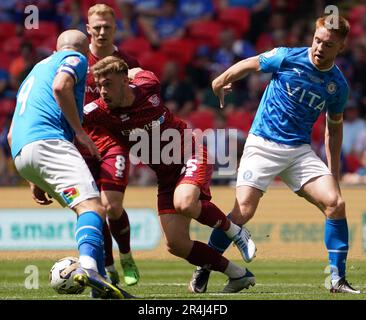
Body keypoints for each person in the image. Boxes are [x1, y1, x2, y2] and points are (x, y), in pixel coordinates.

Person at [189, 15, 361, 294]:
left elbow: (334, 130)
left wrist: (333, 174)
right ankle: (205, 265)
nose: (319, 48)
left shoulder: (337, 86)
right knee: (243, 211)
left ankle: (336, 279)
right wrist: (220, 80)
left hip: (298, 152)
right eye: (317, 40)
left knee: (336, 203)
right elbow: (251, 63)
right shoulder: (286, 56)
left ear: (341, 47)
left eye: (328, 45)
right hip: (262, 144)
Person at [83, 56, 257, 293]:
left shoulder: (148, 84)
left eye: (108, 84)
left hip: (189, 150)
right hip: (165, 175)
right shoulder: (99, 111)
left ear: (125, 81)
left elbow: (139, 71)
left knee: (184, 202)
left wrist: (130, 71)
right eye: (99, 85)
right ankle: (238, 275)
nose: (102, 91)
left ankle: (235, 232)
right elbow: (67, 116)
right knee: (176, 244)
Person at [7, 29, 132, 299]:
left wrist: (33, 178)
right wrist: (80, 132)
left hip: (21, 151)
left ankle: (99, 290)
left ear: (54, 48)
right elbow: (61, 86)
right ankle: (88, 268)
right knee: (93, 207)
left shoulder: (34, 72)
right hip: (50, 141)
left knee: (86, 210)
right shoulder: (75, 58)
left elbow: (9, 133)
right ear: (83, 50)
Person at [82, 3, 140, 286]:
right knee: (95, 209)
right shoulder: (76, 60)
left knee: (112, 206)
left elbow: (142, 96)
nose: (102, 32)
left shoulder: (127, 63)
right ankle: (107, 266)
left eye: (108, 27)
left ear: (115, 29)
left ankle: (126, 255)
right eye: (97, 27)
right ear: (88, 29)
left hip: (112, 142)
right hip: (79, 145)